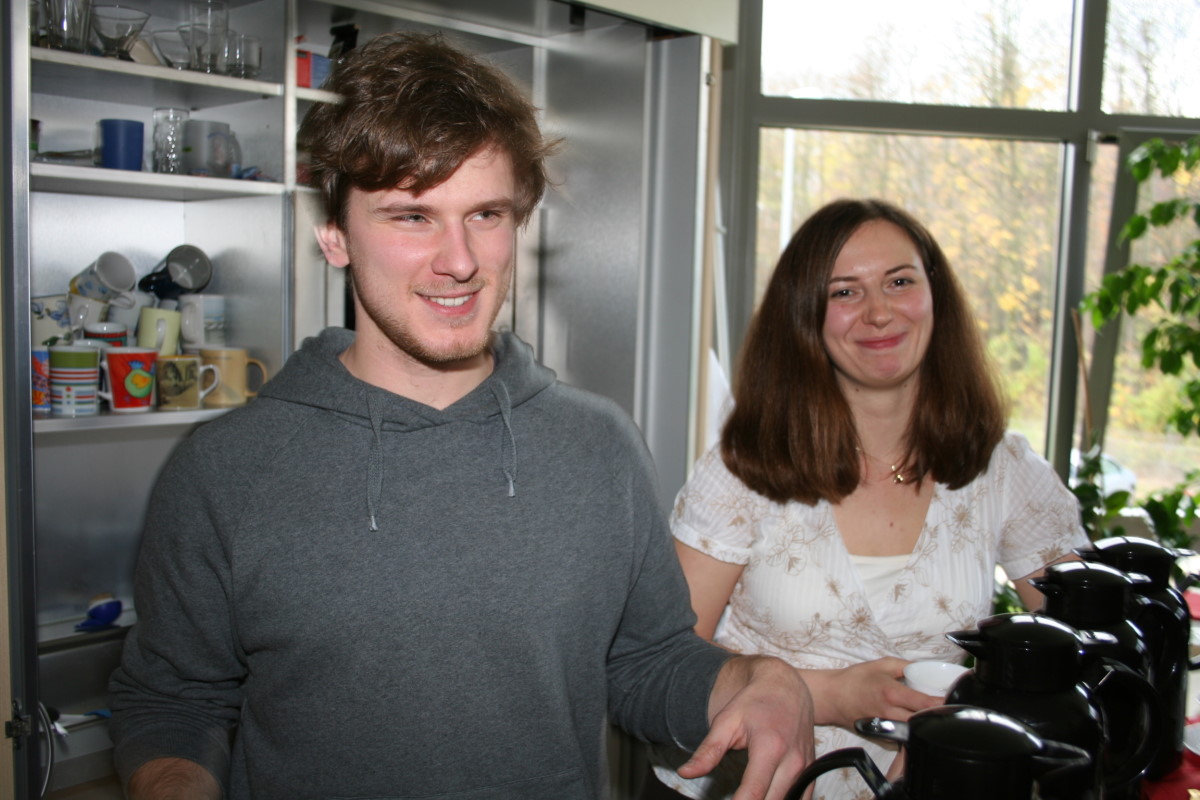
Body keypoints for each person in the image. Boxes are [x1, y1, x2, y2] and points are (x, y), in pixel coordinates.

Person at [107, 31, 815, 800]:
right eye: (412, 216)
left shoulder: (598, 446)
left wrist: (757, 679)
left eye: (485, 214)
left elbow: (644, 662)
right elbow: (172, 701)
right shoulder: (225, 470)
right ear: (335, 236)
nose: (460, 261)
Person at [648, 199, 1088, 800]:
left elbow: (1080, 652)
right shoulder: (743, 468)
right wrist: (830, 695)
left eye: (900, 282)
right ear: (805, 316)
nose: (880, 312)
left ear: (935, 295)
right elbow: (663, 661)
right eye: (845, 292)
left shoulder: (1005, 470)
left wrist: (974, 717)